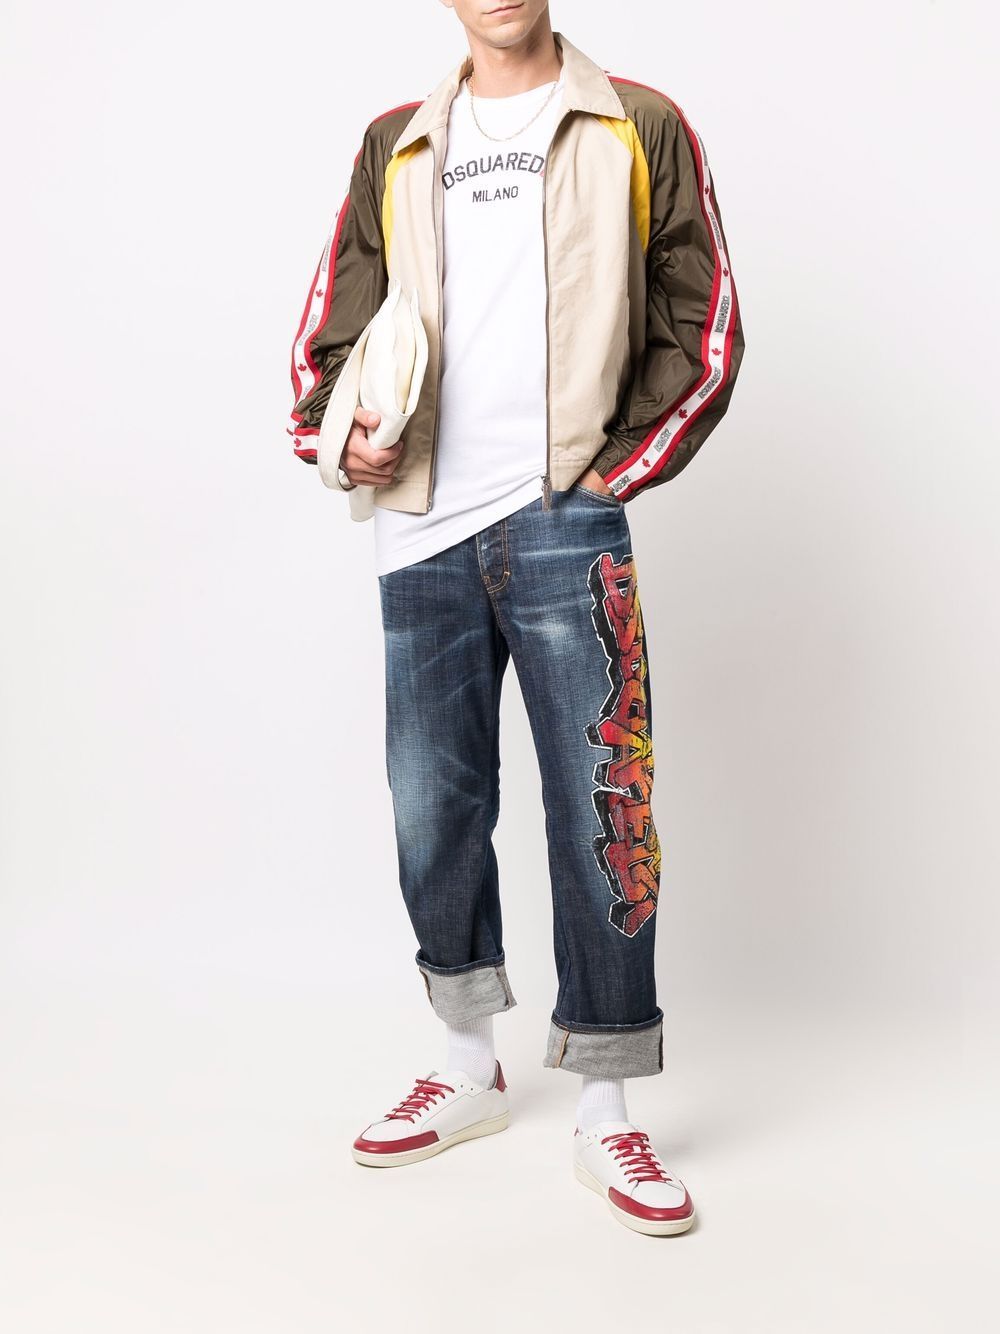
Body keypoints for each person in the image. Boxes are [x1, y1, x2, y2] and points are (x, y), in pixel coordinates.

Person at [285, 1, 744, 1237]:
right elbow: (332, 329)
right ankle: (467, 1062)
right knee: (432, 806)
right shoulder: (395, 141)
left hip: (562, 519)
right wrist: (340, 438)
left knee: (604, 806)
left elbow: (702, 323)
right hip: (419, 528)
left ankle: (607, 1107)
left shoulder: (636, 123)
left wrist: (609, 475)